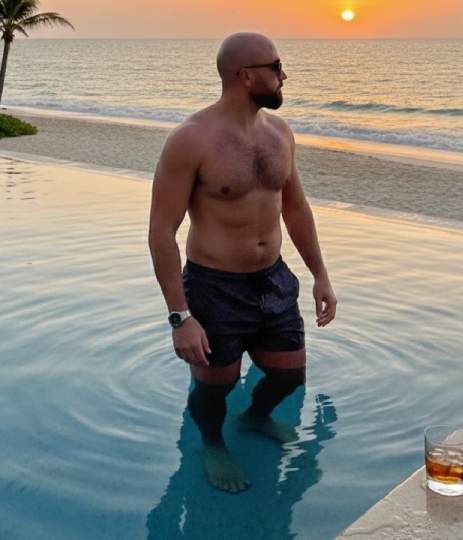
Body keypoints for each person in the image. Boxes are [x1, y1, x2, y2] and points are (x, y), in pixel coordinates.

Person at [148, 32, 337, 494]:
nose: (284, 75)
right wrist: (180, 317)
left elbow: (296, 207)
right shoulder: (191, 140)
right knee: (215, 386)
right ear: (246, 76)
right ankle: (213, 443)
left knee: (290, 375)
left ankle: (254, 416)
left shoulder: (280, 133)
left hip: (273, 280)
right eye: (276, 66)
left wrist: (320, 275)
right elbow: (161, 231)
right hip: (214, 286)